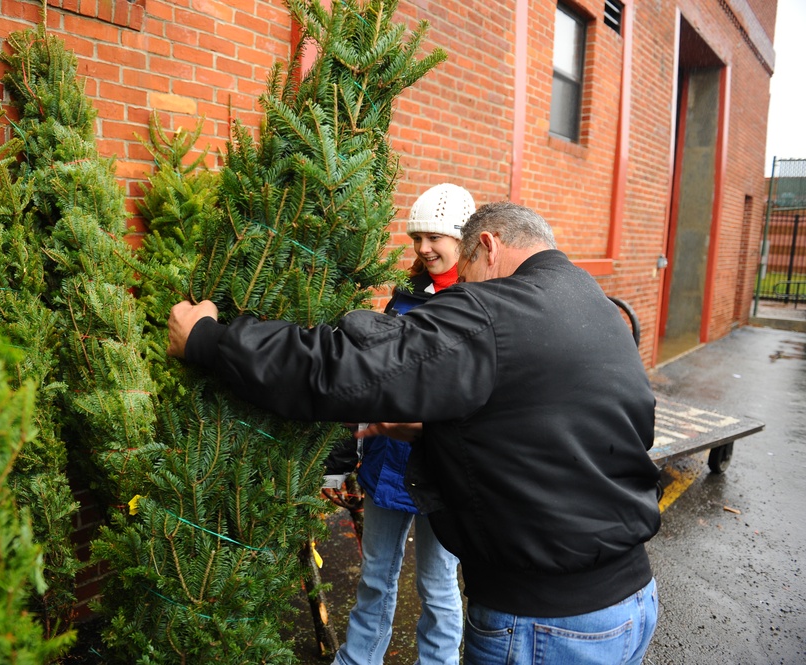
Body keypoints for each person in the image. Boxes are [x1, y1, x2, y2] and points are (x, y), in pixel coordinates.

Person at [167, 201, 662, 665]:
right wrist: (432, 434)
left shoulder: (495, 311)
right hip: (632, 604)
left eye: (466, 277)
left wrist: (210, 340)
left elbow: (347, 367)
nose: (466, 288)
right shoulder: (593, 305)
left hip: (545, 624)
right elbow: (557, 429)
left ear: (487, 245)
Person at [328, 183, 473, 665]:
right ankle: (356, 660)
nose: (424, 248)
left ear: (462, 238)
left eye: (435, 237)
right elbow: (378, 377)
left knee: (436, 585)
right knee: (375, 576)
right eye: (417, 238)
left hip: (441, 470)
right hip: (389, 464)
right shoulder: (406, 296)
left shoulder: (480, 302)